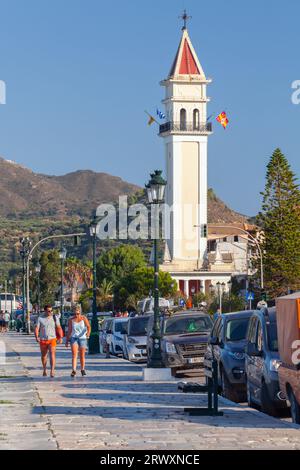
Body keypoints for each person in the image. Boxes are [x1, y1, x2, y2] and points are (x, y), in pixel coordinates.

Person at [34, 305, 63, 378]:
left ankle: (52, 371)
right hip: (43, 339)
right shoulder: (40, 318)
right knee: (44, 356)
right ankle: (44, 369)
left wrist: (61, 337)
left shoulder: (55, 317)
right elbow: (37, 328)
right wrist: (36, 337)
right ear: (45, 311)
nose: (50, 312)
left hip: (52, 339)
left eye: (51, 311)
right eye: (49, 311)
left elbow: (59, 327)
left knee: (52, 354)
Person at [66, 305, 91, 377]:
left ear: (80, 312)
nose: (76, 315)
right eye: (75, 314)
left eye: (78, 313)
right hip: (74, 338)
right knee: (74, 354)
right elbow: (69, 330)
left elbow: (89, 326)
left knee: (82, 355)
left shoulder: (84, 318)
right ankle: (74, 370)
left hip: (83, 338)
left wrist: (88, 334)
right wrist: (67, 340)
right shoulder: (71, 320)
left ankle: (82, 369)